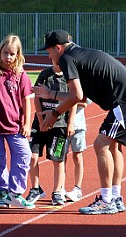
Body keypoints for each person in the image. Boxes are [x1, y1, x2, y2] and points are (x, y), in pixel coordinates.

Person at [35, 29, 126, 214]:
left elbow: (76, 95)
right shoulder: (81, 55)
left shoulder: (66, 58)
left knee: (101, 144)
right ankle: (115, 198)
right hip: (122, 99)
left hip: (123, 101)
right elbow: (82, 97)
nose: (49, 56)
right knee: (113, 145)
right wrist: (50, 94)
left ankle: (107, 200)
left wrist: (54, 114)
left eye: (49, 51)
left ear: (58, 48)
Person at [0, 34, 34, 209]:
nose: (8, 57)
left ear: (18, 54)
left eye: (13, 54)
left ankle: (16, 193)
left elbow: (27, 99)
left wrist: (27, 124)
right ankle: (3, 193)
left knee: (24, 155)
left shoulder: (20, 74)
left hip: (15, 125)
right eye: (6, 53)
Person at [27, 60, 75, 205]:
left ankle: (57, 192)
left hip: (59, 125)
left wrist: (70, 123)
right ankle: (35, 189)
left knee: (57, 159)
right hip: (40, 123)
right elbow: (37, 97)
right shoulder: (45, 75)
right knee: (32, 156)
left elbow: (73, 101)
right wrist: (41, 120)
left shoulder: (70, 78)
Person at [64, 99, 91, 202]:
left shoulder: (82, 84)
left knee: (77, 156)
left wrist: (66, 102)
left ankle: (77, 188)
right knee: (61, 158)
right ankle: (61, 188)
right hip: (61, 125)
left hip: (78, 126)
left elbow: (85, 103)